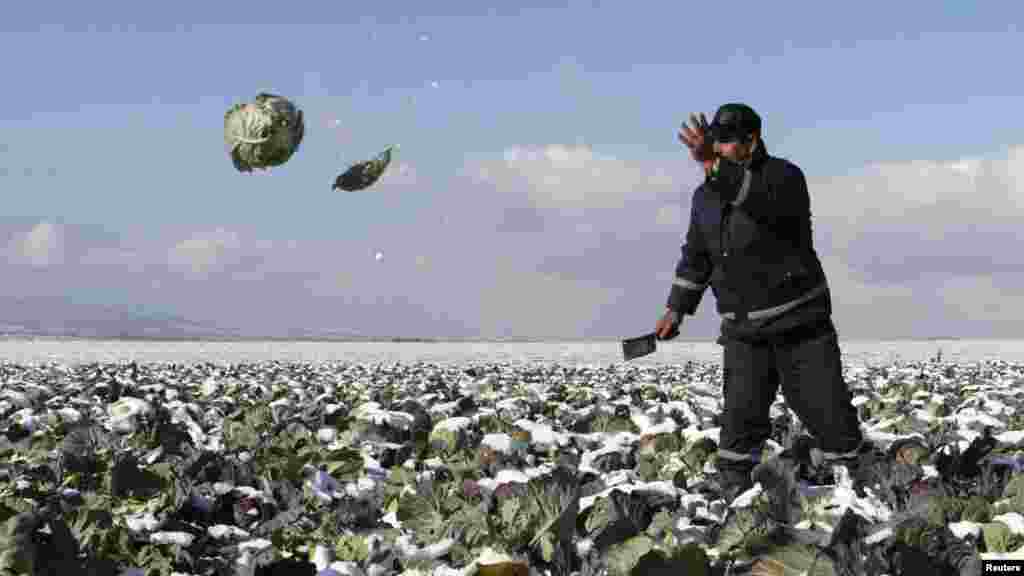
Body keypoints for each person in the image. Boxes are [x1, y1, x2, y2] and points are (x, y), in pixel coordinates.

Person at [655, 103, 866, 498]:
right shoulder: (705, 197)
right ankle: (735, 494)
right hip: (743, 330)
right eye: (715, 142)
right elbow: (697, 255)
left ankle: (855, 485)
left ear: (752, 141)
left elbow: (755, 200)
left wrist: (713, 167)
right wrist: (676, 307)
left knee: (827, 411)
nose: (718, 149)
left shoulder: (783, 178)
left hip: (799, 323)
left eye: (727, 142)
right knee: (740, 417)